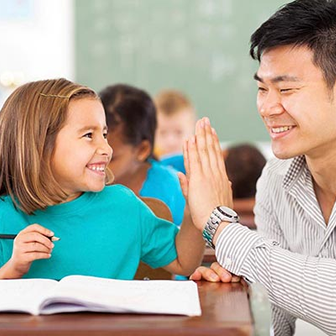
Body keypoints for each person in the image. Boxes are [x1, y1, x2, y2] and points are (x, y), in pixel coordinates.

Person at [183, 0, 336, 335]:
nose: (267, 107)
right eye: (262, 88)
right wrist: (242, 271)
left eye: (286, 89)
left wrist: (220, 227)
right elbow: (283, 320)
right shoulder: (276, 179)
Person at [0, 78, 204, 281]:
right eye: (89, 135)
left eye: (104, 134)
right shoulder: (4, 215)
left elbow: (183, 262)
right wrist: (11, 270)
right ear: (40, 146)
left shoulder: (123, 206)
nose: (107, 149)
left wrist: (192, 211)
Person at [99, 84, 185, 226]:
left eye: (110, 158)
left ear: (142, 150)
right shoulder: (85, 183)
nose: (98, 163)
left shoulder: (172, 190)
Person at [154, 89, 196, 174]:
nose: (171, 142)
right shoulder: (145, 165)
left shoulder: (200, 164)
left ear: (193, 128)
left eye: (178, 132)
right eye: (162, 132)